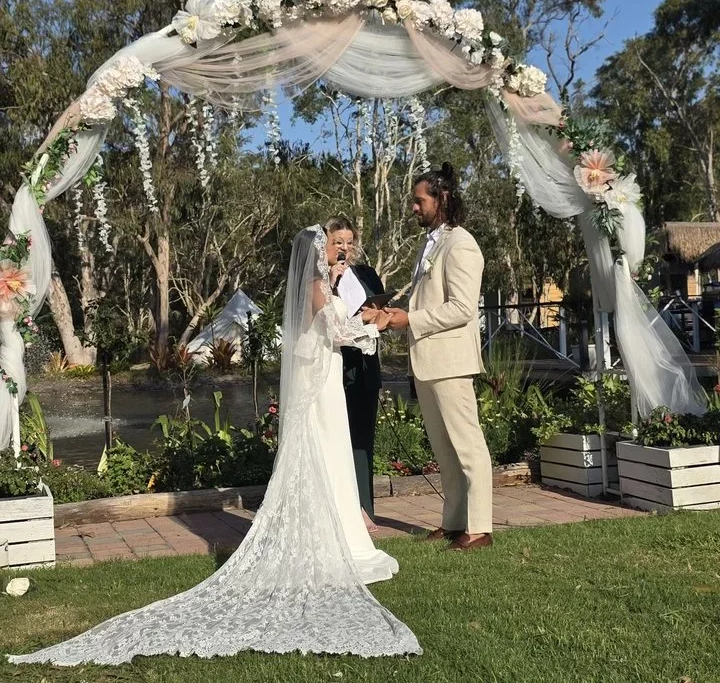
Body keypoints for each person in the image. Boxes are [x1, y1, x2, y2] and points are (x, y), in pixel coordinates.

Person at [8, 226, 421, 666]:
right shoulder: (316, 286)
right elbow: (336, 332)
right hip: (322, 385)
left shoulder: (318, 285)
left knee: (326, 458)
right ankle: (337, 539)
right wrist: (373, 327)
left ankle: (339, 529)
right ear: (315, 255)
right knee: (326, 456)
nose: (334, 253)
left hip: (323, 381)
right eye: (328, 249)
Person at [384, 163, 493, 551]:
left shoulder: (461, 243)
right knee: (444, 450)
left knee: (467, 446)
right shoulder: (430, 243)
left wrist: (410, 319)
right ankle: (453, 522)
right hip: (427, 361)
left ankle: (479, 528)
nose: (413, 207)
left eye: (419, 201)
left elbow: (462, 308)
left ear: (441, 200)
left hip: (450, 362)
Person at [324, 216, 385, 533]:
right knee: (336, 441)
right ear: (326, 244)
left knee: (362, 440)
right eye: (338, 242)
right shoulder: (319, 279)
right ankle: (340, 512)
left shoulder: (367, 274)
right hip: (333, 368)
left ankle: (365, 507)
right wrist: (334, 282)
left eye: (350, 242)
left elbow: (377, 313)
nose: (345, 248)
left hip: (364, 365)